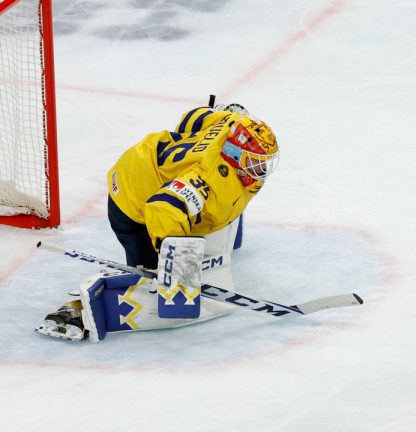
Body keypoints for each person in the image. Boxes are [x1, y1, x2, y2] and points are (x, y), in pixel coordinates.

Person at [35, 101, 280, 341]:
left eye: (264, 161)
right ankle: (74, 311)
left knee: (207, 217)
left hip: (152, 163)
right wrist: (176, 264)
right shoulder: (205, 180)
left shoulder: (234, 123)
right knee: (149, 278)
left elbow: (192, 118)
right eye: (255, 162)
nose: (262, 169)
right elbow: (162, 209)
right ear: (234, 153)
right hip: (134, 200)